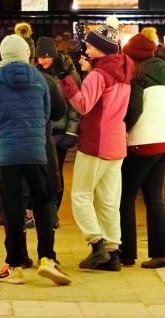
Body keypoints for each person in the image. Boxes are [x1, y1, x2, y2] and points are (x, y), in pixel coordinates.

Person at [0, 34, 72, 286]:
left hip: (8, 155)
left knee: (13, 209)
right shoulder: (41, 80)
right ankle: (47, 258)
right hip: (37, 152)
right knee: (42, 203)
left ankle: (16, 266)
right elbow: (51, 114)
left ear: (3, 56)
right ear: (27, 54)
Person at [58, 19, 133, 272]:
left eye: (90, 47)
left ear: (102, 49)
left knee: (81, 195)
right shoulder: (123, 71)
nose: (86, 51)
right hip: (116, 143)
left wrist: (67, 80)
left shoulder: (98, 75)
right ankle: (113, 252)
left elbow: (82, 105)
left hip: (96, 142)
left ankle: (96, 243)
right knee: (109, 200)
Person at [120, 32, 165, 268]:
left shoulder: (136, 74)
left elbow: (133, 109)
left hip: (142, 143)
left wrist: (123, 128)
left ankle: (126, 252)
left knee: (125, 197)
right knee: (154, 198)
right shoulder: (164, 72)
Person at [35, 37, 81, 224]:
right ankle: (43, 212)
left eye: (47, 57)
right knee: (41, 173)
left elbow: (75, 107)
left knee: (55, 173)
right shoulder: (35, 73)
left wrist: (70, 133)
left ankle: (53, 214)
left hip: (60, 132)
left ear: (54, 56)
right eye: (40, 57)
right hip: (41, 131)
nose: (43, 61)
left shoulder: (68, 75)